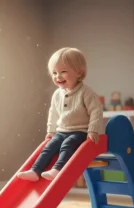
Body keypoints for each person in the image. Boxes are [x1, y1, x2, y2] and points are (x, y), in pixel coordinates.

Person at [17, 47, 103, 182]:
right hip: (61, 131)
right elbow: (53, 113)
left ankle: (57, 169)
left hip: (80, 131)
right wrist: (51, 131)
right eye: (54, 73)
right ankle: (35, 170)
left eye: (63, 72)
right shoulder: (57, 94)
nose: (58, 76)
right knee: (49, 147)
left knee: (67, 144)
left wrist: (93, 130)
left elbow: (96, 111)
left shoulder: (86, 93)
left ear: (79, 73)